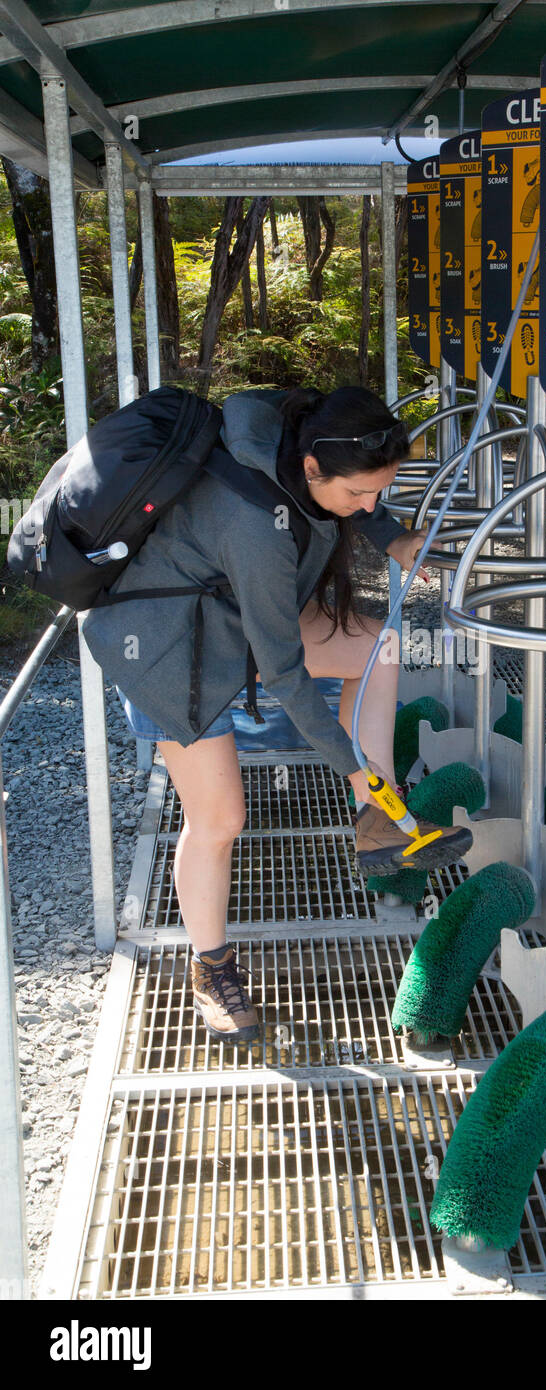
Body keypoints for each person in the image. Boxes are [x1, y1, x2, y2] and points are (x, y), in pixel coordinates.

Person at [81, 384, 472, 1044]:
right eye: (359, 497)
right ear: (313, 469)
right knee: (219, 818)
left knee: (377, 646)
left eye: (380, 491)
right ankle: (212, 970)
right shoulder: (254, 524)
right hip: (166, 644)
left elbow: (350, 502)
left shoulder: (297, 435)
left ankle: (381, 818)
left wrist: (394, 536)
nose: (370, 504)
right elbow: (287, 675)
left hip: (227, 609)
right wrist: (352, 768)